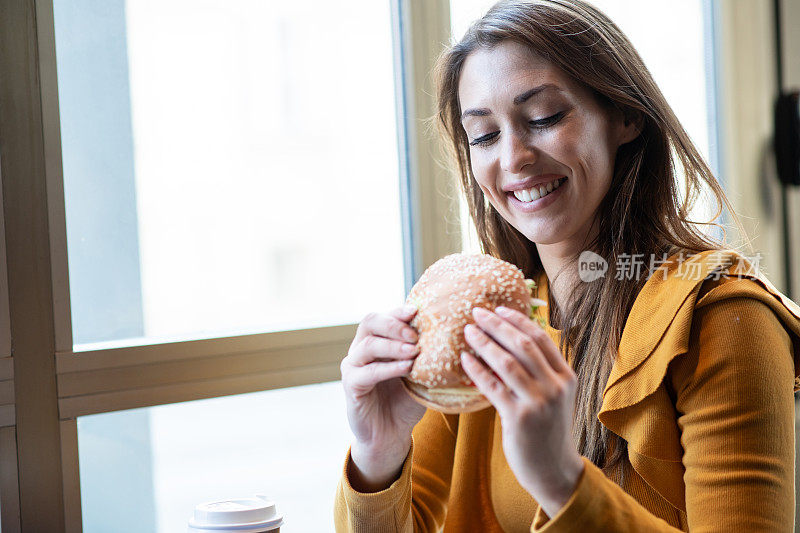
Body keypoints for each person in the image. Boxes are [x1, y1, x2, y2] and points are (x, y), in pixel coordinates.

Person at [334, 0, 800, 530]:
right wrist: (377, 454)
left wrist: (560, 478)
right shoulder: (478, 325)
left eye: (544, 118)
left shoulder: (722, 317)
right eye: (484, 135)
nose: (512, 159)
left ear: (626, 115)